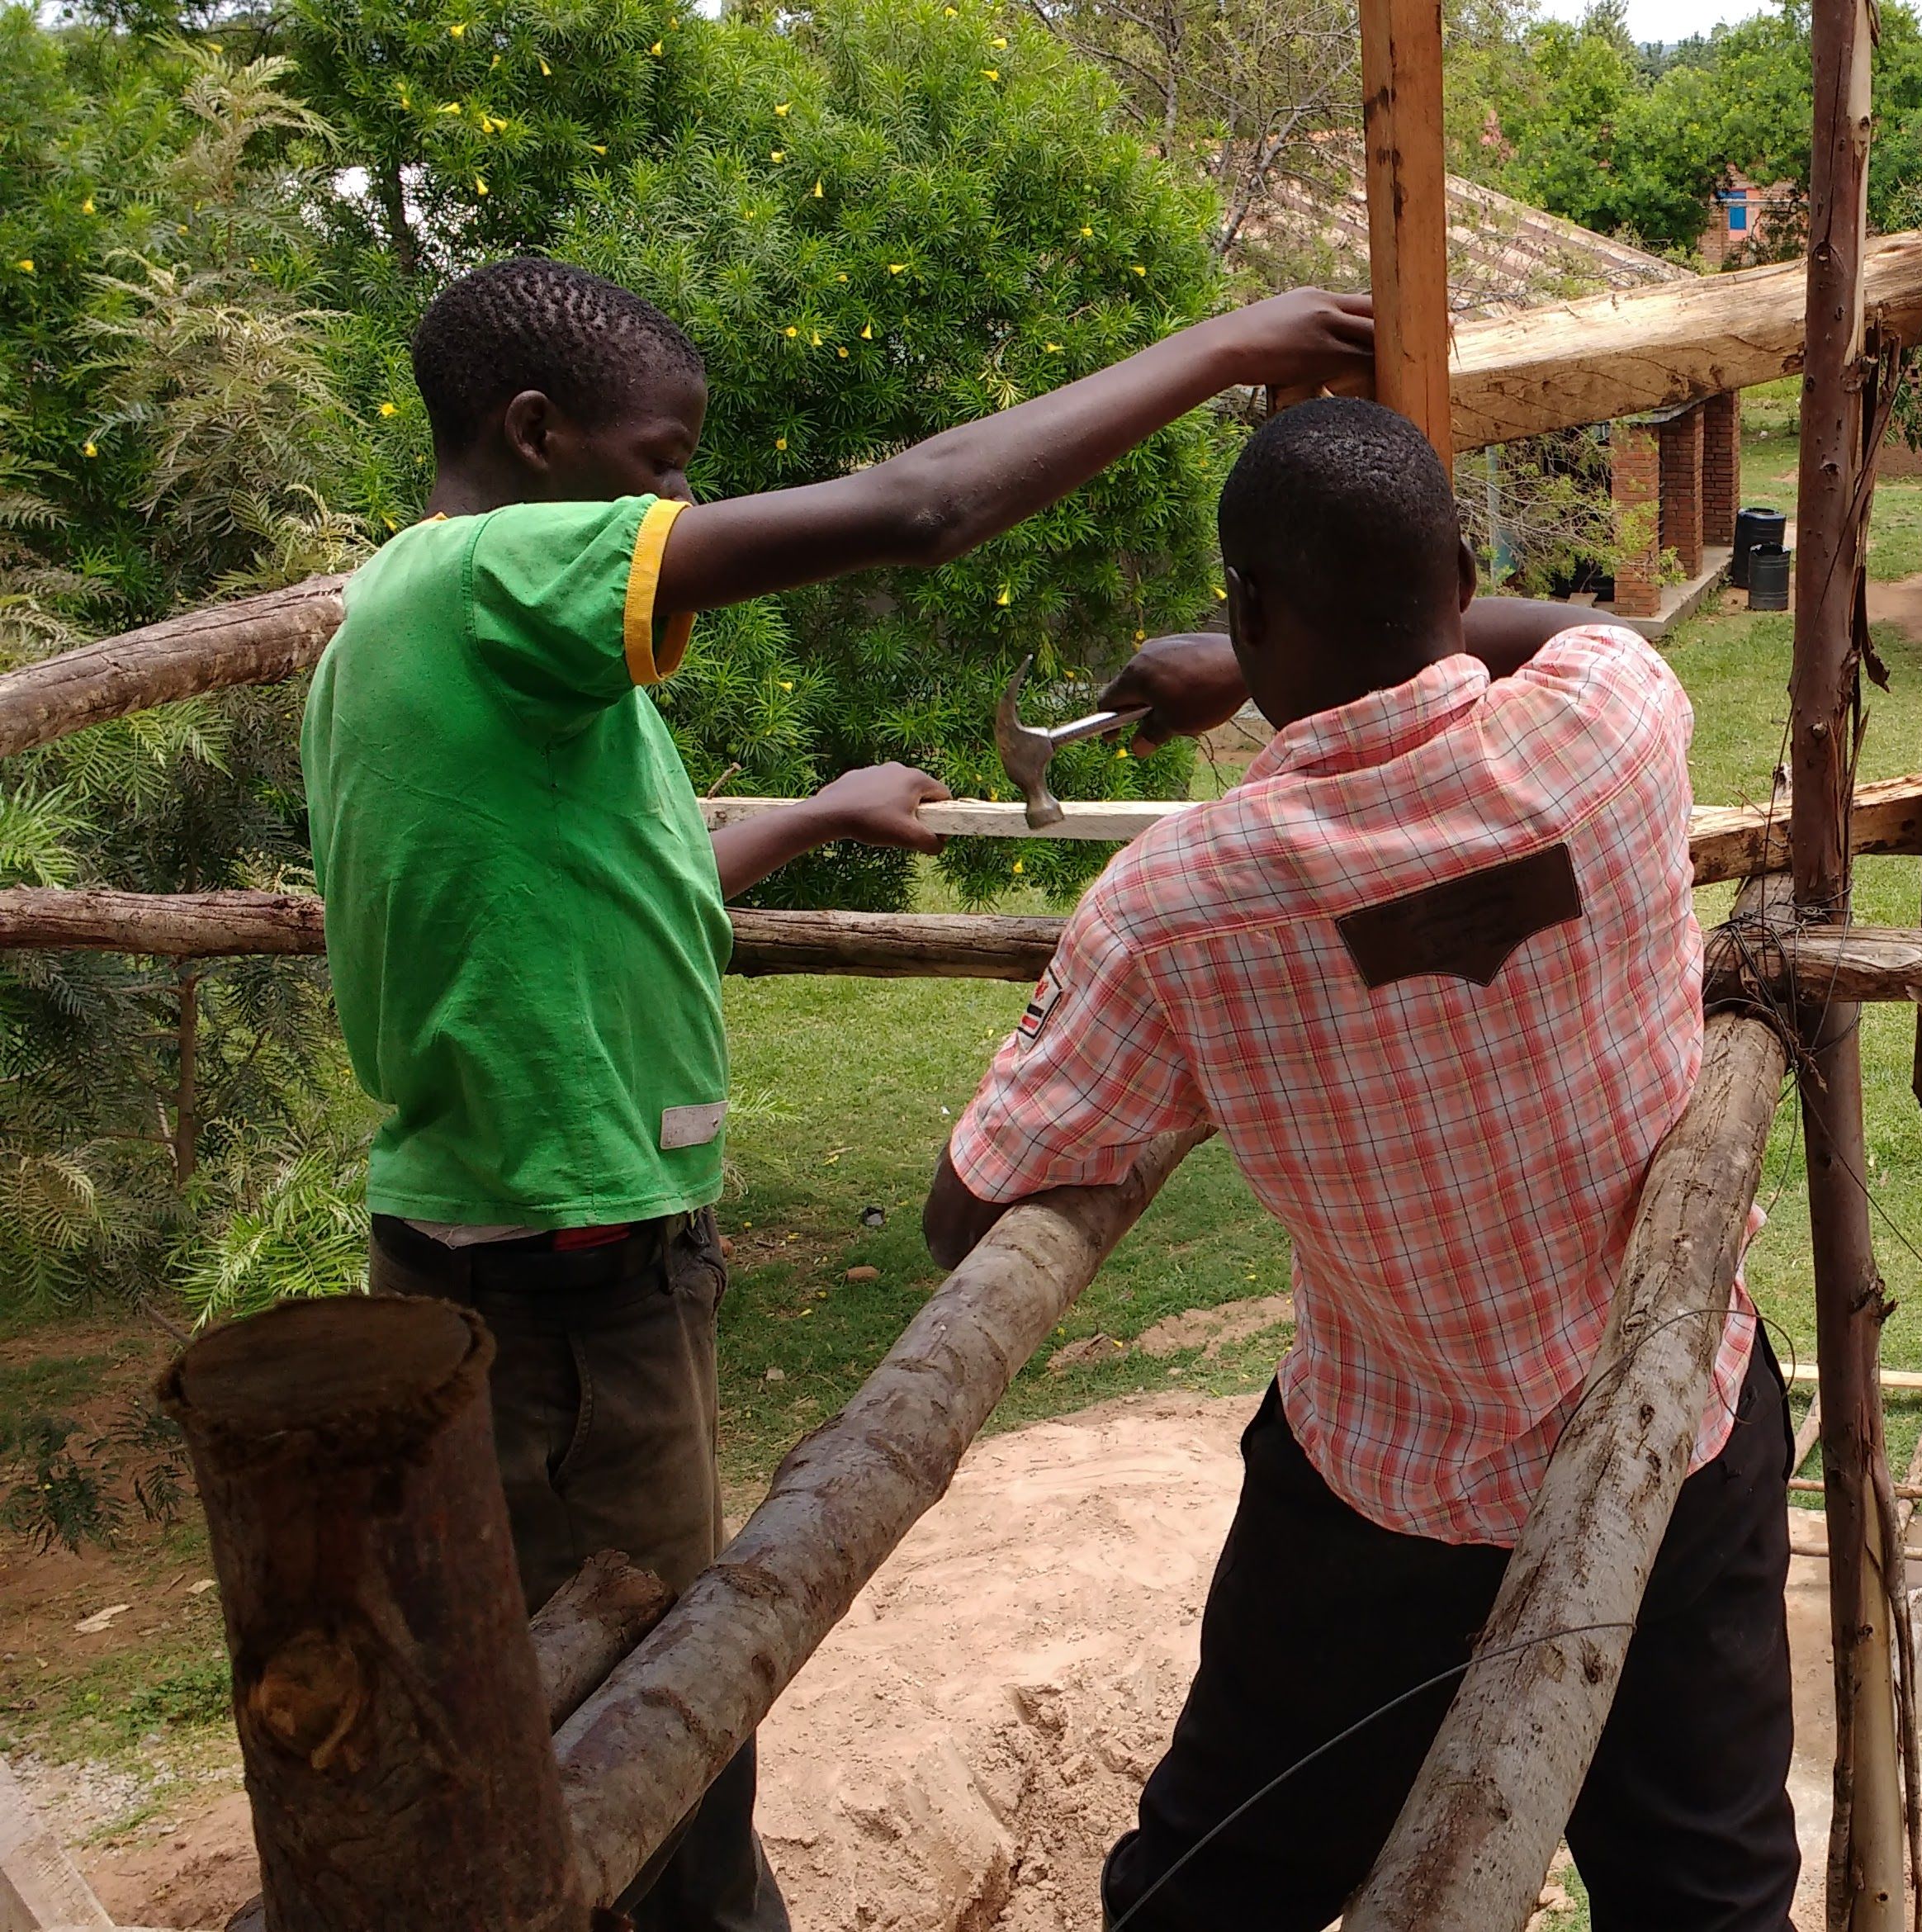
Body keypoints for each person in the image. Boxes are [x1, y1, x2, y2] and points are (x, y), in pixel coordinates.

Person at [305, 255, 1370, 1931]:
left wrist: (816, 813)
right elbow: (922, 508)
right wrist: (1228, 348)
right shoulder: (509, 579)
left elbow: (615, 904)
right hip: (571, 1271)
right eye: (657, 461)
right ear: (532, 434)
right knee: (662, 1734)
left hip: (508, 1237)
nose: (680, 499)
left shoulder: (416, 620)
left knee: (569, 1700)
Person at [923, 398, 1794, 1932]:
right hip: (1675, 1431)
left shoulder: (1174, 908)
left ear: (1248, 610)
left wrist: (1254, 676)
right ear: (1456, 573)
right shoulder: (1612, 725)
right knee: (1709, 1901)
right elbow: (1568, 634)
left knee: (1211, 1890)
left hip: (1389, 1499)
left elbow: (967, 1213)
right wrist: (1372, 617)